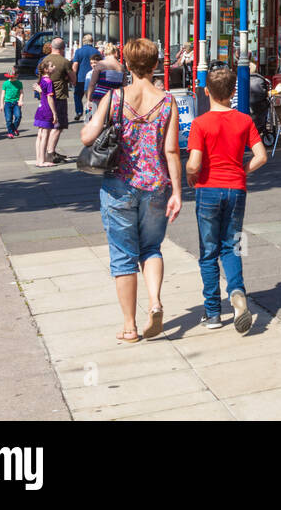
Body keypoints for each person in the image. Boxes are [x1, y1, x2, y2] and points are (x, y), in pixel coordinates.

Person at [81, 38, 183, 344]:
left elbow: (88, 137)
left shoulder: (114, 97)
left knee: (123, 257)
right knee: (151, 248)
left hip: (119, 187)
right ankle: (155, 301)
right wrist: (178, 192)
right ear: (155, 65)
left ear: (126, 64)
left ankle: (129, 325)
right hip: (156, 187)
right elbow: (172, 150)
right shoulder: (167, 101)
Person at [185, 65, 266, 333]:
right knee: (233, 244)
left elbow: (195, 163)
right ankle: (238, 293)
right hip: (237, 189)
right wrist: (243, 170)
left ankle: (212, 313)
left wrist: (188, 173)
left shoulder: (200, 124)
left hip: (208, 189)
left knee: (208, 251)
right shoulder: (244, 120)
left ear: (206, 91)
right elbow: (261, 156)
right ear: (233, 92)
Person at [43, 37, 74, 163]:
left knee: (48, 125)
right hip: (59, 95)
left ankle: (49, 151)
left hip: (45, 96)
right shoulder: (65, 62)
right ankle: (50, 153)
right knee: (58, 125)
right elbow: (74, 80)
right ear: (63, 48)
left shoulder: (44, 60)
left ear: (51, 47)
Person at [71, 34, 102, 123]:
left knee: (77, 95)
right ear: (92, 41)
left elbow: (75, 65)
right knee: (91, 98)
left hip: (81, 78)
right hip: (94, 77)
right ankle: (91, 114)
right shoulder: (96, 52)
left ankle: (79, 111)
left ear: (83, 41)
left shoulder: (79, 51)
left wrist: (73, 77)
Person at [32, 59, 56, 167]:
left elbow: (42, 94)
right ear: (46, 69)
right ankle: (42, 161)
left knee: (40, 135)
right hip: (47, 110)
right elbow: (50, 98)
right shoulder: (49, 82)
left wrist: (40, 91)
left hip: (40, 108)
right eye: (52, 66)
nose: (54, 67)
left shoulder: (41, 80)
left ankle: (39, 159)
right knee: (45, 135)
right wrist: (55, 113)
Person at [2, 65, 24, 138]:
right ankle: (10, 132)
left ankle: (14, 129)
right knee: (8, 119)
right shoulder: (5, 83)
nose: (10, 78)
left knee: (18, 116)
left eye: (12, 76)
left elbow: (21, 93)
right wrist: (1, 104)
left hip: (16, 102)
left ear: (17, 75)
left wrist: (20, 100)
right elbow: (2, 94)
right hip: (7, 103)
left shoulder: (19, 83)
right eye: (9, 77)